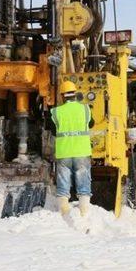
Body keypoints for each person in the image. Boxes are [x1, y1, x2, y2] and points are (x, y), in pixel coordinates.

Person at [50, 80, 93, 216]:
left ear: (62, 95)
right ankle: (84, 211)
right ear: (75, 94)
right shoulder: (85, 109)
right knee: (83, 179)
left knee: (63, 180)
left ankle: (64, 211)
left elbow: (52, 130)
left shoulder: (56, 112)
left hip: (64, 152)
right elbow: (91, 124)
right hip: (82, 151)